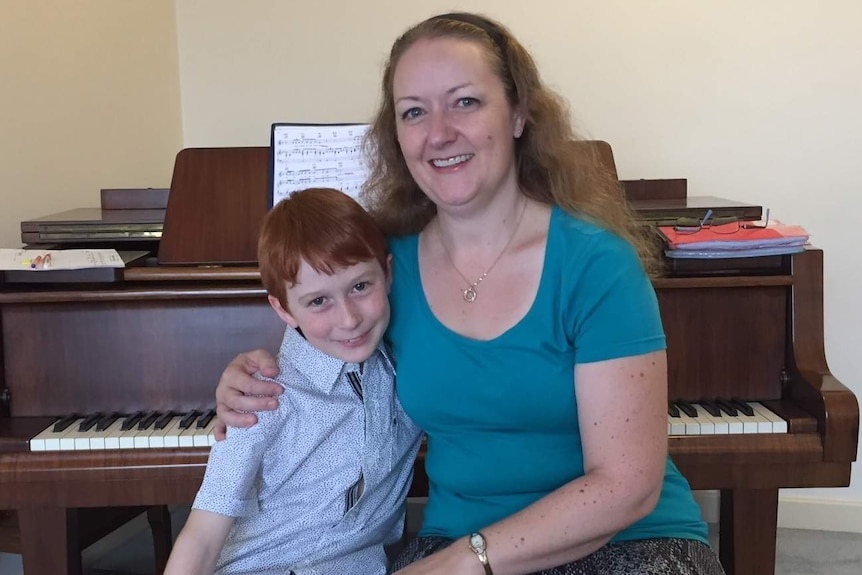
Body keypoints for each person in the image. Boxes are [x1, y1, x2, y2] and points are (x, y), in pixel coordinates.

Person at [214, 12, 726, 575]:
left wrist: (467, 561)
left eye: (465, 102)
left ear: (520, 113)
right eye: (414, 112)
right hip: (456, 536)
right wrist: (248, 376)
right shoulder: (383, 266)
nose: (438, 133)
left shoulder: (596, 264)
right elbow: (319, 347)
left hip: (627, 544)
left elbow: (627, 486)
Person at [165, 187, 422, 575]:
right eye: (319, 301)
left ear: (386, 273)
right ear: (282, 308)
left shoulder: (406, 371)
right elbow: (201, 534)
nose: (349, 319)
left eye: (360, 286)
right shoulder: (261, 397)